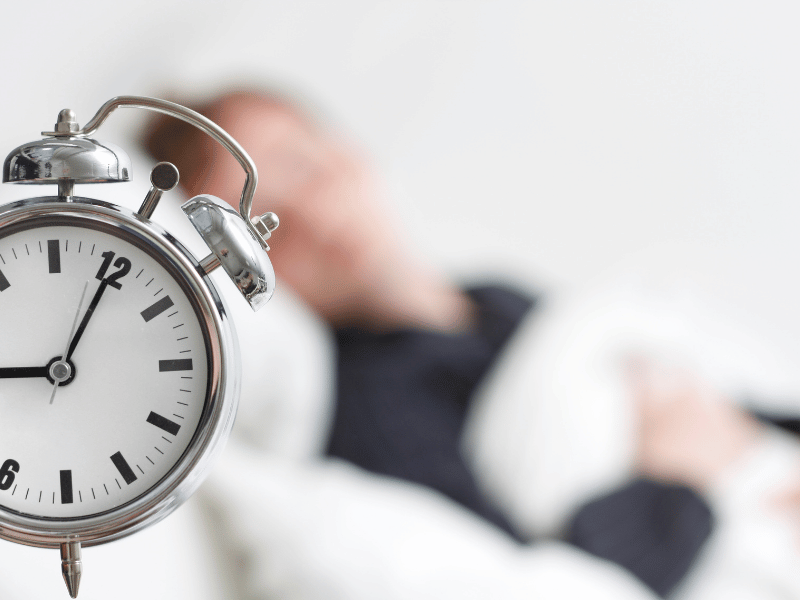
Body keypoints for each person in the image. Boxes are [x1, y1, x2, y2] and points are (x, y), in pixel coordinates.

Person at [143, 89, 799, 599]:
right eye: (268, 227)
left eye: (303, 168)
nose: (314, 219)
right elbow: (558, 579)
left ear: (349, 154)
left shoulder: (501, 303)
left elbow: (699, 394)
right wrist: (683, 481)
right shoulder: (375, 409)